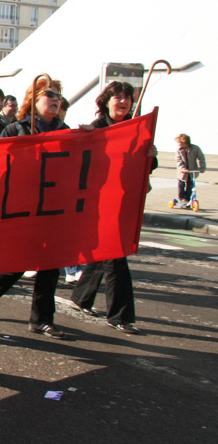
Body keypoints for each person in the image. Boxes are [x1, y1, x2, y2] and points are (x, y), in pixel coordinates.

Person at [0, 76, 70, 338]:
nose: (55, 99)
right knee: (18, 262)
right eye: (49, 94)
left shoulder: (67, 131)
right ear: (34, 99)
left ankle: (41, 320)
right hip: (22, 208)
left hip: (53, 208)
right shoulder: (16, 130)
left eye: (58, 96)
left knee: (51, 265)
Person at [69, 81, 158, 335]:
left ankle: (81, 296)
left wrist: (150, 155)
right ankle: (121, 315)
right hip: (100, 203)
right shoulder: (96, 128)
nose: (123, 102)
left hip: (125, 201)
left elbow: (144, 167)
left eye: (127, 98)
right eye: (117, 97)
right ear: (106, 101)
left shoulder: (138, 129)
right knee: (117, 256)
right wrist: (84, 137)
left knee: (106, 254)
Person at [174, 133, 206, 208]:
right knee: (181, 185)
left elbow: (201, 158)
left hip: (192, 172)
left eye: (180, 143)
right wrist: (183, 169)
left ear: (185, 142)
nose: (178, 144)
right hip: (182, 173)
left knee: (190, 186)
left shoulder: (195, 148)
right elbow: (178, 161)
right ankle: (182, 198)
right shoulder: (179, 150)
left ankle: (188, 199)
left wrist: (202, 168)